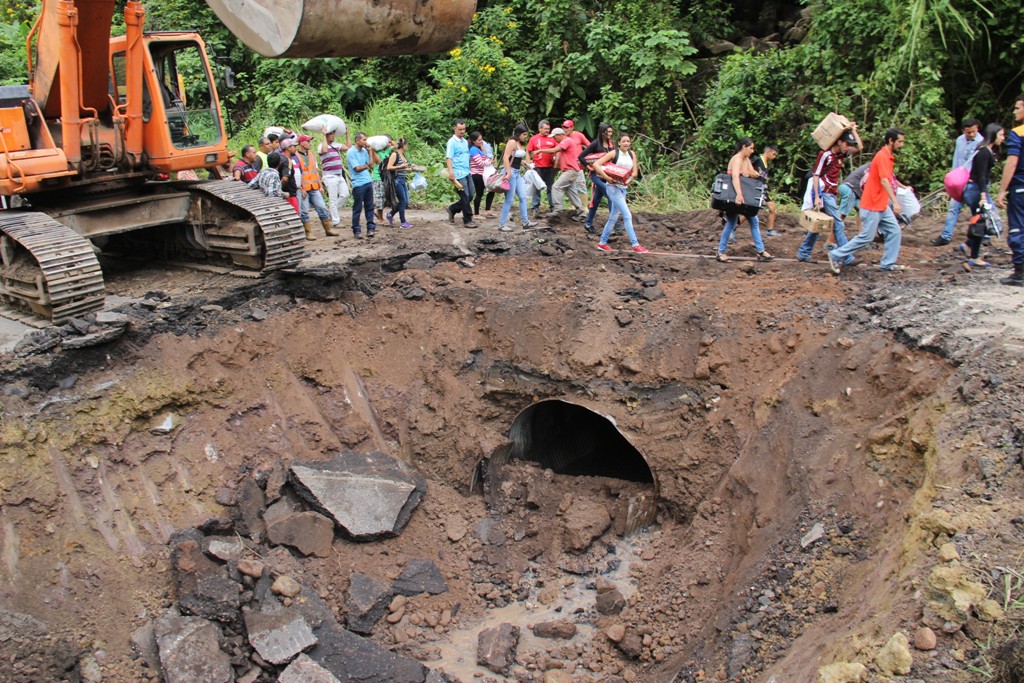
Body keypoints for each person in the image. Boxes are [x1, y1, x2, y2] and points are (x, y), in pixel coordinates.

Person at [827, 128, 906, 274]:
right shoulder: (882, 157)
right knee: (866, 237)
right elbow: (884, 180)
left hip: (881, 204)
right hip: (872, 204)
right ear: (891, 140)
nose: (901, 145)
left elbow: (889, 179)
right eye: (900, 141)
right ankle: (835, 255)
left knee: (894, 231)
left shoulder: (888, 157)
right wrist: (895, 202)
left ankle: (888, 264)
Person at [796, 126, 862, 263]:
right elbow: (815, 175)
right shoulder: (825, 154)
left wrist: (853, 130)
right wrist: (817, 197)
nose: (848, 147)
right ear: (839, 142)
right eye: (847, 144)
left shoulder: (841, 155)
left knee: (819, 224)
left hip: (831, 193)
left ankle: (803, 252)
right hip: (825, 192)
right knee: (838, 224)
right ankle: (846, 257)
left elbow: (859, 148)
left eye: (849, 145)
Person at [715, 138, 772, 262]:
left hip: (743, 196)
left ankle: (760, 250)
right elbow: (735, 177)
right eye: (750, 148)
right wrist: (739, 195)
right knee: (731, 223)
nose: (752, 151)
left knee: (753, 221)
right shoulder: (736, 159)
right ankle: (720, 252)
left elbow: (751, 173)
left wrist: (751, 173)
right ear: (744, 147)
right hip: (734, 196)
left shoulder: (745, 160)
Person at [958, 123, 1004, 271]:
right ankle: (974, 257)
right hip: (976, 190)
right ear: (994, 135)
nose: (1003, 138)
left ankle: (969, 246)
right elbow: (981, 176)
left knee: (982, 222)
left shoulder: (987, 150)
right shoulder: (984, 152)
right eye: (1001, 135)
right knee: (982, 222)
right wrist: (983, 196)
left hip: (976, 189)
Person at [594, 133, 648, 253]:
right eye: (623, 141)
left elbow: (634, 172)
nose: (626, 143)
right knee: (627, 215)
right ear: (619, 143)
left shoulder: (631, 154)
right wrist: (607, 177)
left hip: (623, 188)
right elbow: (596, 164)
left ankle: (602, 243)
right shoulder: (614, 153)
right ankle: (635, 245)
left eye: (628, 141)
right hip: (613, 188)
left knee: (613, 217)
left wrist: (626, 178)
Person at [933, 118, 982, 246]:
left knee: (975, 211)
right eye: (968, 132)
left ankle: (980, 237)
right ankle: (946, 236)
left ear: (977, 128)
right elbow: (957, 159)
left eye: (973, 132)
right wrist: (952, 178)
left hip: (971, 182)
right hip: (958, 180)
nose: (971, 135)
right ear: (963, 131)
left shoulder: (981, 142)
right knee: (953, 208)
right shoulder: (960, 140)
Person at [995, 96, 1024, 287]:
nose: (1014, 113)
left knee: (1018, 228)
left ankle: (1020, 272)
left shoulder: (1017, 133)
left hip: (1020, 188)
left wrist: (1002, 190)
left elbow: (1012, 162)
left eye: (1016, 108)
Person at [531, 127, 584, 217]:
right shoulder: (566, 141)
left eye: (555, 137)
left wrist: (540, 150)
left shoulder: (566, 141)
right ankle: (581, 211)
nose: (554, 139)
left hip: (570, 170)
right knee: (570, 191)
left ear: (559, 135)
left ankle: (558, 209)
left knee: (556, 187)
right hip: (571, 170)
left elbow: (554, 150)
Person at [579, 122, 618, 235]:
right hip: (596, 176)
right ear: (602, 133)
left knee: (596, 200)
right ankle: (614, 226)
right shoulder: (595, 144)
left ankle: (588, 223)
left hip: (606, 175)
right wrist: (589, 167)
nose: (610, 134)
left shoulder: (611, 145)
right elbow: (581, 157)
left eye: (611, 132)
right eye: (608, 132)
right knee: (610, 195)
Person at [497, 124, 538, 232]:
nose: (525, 136)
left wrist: (524, 162)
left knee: (523, 196)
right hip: (510, 172)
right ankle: (502, 225)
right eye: (524, 134)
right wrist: (508, 173)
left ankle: (525, 222)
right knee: (509, 199)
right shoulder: (512, 142)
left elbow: (516, 157)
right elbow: (506, 158)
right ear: (519, 133)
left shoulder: (520, 143)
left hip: (517, 172)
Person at [296, 134, 335, 239]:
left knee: (322, 207)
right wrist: (300, 187)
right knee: (304, 211)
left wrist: (320, 186)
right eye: (308, 141)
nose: (310, 143)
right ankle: (308, 233)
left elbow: (316, 171)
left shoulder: (311, 155)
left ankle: (328, 229)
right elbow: (296, 174)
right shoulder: (295, 156)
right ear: (301, 143)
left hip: (314, 187)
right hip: (304, 188)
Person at [346, 132, 381, 239]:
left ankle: (371, 228)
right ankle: (356, 230)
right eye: (364, 140)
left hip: (367, 181)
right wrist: (366, 166)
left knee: (369, 207)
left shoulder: (365, 151)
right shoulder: (351, 152)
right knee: (357, 208)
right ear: (357, 141)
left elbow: (371, 164)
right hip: (358, 183)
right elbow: (357, 168)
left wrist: (370, 151)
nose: (366, 142)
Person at [445, 120, 477, 228]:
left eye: (464, 129)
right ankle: (467, 220)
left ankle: (452, 208)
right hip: (458, 173)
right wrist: (451, 172)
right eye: (460, 129)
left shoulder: (465, 142)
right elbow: (449, 158)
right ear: (455, 129)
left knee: (470, 195)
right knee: (465, 196)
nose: (462, 131)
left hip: (467, 172)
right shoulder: (451, 142)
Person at [319, 129, 351, 232]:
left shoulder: (336, 145)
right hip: (329, 176)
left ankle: (331, 213)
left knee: (345, 194)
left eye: (333, 134)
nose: (333, 136)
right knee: (332, 199)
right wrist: (323, 135)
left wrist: (347, 133)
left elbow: (348, 148)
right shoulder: (321, 145)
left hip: (338, 175)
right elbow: (324, 150)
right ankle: (335, 221)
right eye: (330, 134)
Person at [527, 120, 557, 215]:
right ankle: (535, 207)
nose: (547, 130)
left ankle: (552, 206)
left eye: (548, 129)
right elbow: (528, 151)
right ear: (540, 128)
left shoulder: (552, 139)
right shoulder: (534, 139)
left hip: (550, 166)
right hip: (538, 167)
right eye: (545, 129)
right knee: (537, 187)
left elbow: (557, 150)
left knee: (550, 187)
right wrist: (529, 164)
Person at [385, 137, 415, 229]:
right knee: (402, 201)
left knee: (405, 202)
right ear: (404, 145)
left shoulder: (402, 155)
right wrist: (401, 167)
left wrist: (408, 169)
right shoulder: (395, 154)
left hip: (402, 179)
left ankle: (390, 214)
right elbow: (389, 167)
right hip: (397, 180)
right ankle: (403, 222)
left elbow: (401, 167)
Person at [750, 144, 779, 235]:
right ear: (768, 152)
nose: (774, 157)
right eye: (773, 154)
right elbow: (747, 167)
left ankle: (770, 230)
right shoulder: (757, 160)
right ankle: (733, 227)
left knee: (772, 207)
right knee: (751, 211)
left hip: (763, 189)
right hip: (755, 188)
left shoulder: (766, 165)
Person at [468, 132, 496, 219]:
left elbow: (485, 156)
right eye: (479, 140)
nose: (481, 141)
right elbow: (480, 163)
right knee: (479, 193)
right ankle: (476, 214)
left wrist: (482, 146)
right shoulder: (473, 150)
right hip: (477, 174)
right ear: (473, 141)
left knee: (491, 190)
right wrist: (490, 162)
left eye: (481, 139)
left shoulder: (478, 148)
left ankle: (487, 209)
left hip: (483, 174)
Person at [837, 162, 870, 234]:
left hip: (850, 188)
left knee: (860, 210)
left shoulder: (868, 165)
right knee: (842, 215)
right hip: (851, 189)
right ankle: (829, 242)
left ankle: (861, 235)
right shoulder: (871, 167)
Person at [277, 137, 300, 214]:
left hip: (284, 194)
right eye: (294, 146)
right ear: (288, 148)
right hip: (289, 194)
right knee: (295, 217)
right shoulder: (287, 160)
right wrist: (279, 190)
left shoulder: (280, 158)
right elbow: (285, 179)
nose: (295, 148)